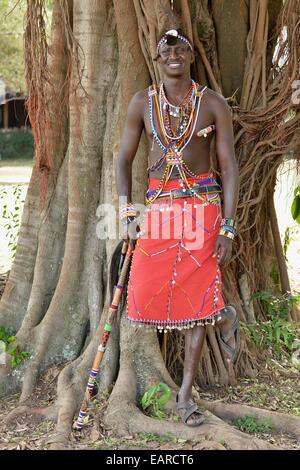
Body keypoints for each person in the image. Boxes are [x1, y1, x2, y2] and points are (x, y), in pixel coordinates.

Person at [116, 29, 240, 426]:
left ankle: (185, 396)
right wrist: (125, 212)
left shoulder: (213, 104)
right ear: (156, 57)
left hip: (202, 209)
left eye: (181, 48)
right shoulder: (142, 103)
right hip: (159, 210)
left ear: (191, 56)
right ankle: (224, 318)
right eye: (166, 48)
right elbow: (122, 160)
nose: (174, 54)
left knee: (197, 299)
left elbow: (229, 167)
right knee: (144, 290)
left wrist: (228, 228)